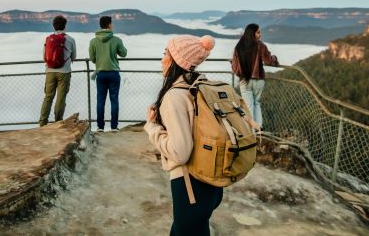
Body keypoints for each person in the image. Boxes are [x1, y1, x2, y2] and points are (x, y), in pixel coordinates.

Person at [144, 35, 221, 236]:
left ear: (177, 60)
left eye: (165, 54)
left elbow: (180, 153)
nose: (162, 60)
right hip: (211, 181)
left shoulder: (174, 97)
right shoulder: (200, 86)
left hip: (190, 186)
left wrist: (152, 127)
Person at [231, 23, 279, 129]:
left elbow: (234, 67)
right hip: (258, 80)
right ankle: (258, 130)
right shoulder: (260, 45)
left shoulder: (239, 46)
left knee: (248, 107)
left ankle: (251, 132)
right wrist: (274, 58)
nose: (260, 34)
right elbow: (268, 61)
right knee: (257, 103)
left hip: (245, 81)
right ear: (252, 33)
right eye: (258, 32)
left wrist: (242, 74)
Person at [89, 15, 127, 132]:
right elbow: (124, 53)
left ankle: (100, 127)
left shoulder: (93, 41)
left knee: (100, 100)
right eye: (112, 23)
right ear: (109, 25)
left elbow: (93, 59)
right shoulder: (116, 40)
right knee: (114, 100)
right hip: (114, 74)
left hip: (100, 74)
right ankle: (114, 127)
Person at [39, 15, 77, 126]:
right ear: (65, 26)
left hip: (49, 72)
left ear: (54, 26)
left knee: (48, 97)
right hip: (64, 72)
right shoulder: (70, 39)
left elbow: (44, 58)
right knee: (61, 98)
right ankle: (58, 122)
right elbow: (73, 57)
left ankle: (42, 122)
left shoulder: (48, 39)